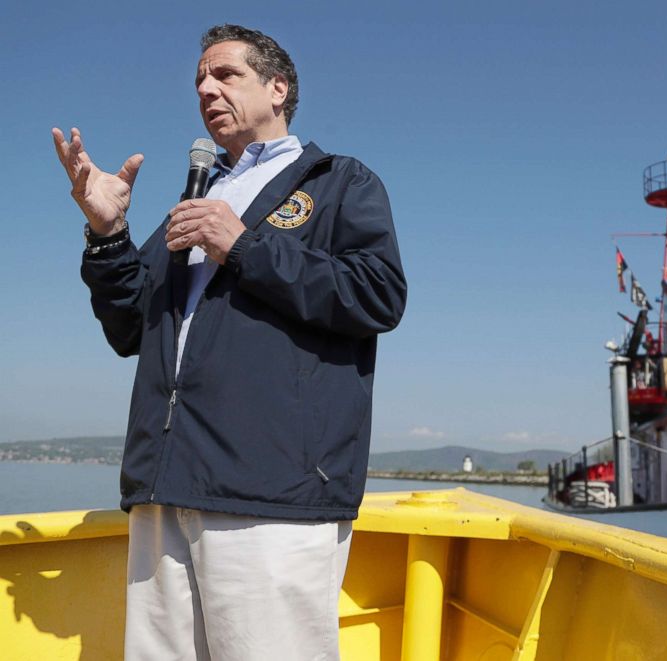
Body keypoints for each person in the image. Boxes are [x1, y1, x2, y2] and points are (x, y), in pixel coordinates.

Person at [52, 24, 406, 660]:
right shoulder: (196, 199)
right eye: (198, 82)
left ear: (278, 88)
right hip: (165, 490)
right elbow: (132, 327)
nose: (205, 90)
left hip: (273, 495)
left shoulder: (338, 183)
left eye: (225, 75)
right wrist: (109, 236)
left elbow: (377, 294)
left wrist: (244, 245)